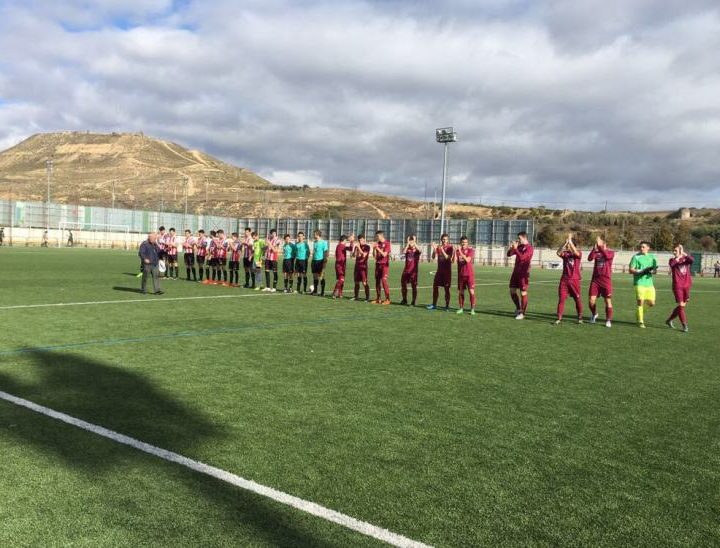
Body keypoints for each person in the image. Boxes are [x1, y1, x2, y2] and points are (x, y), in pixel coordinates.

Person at [629, 240, 658, 328]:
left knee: (652, 303)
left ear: (648, 248)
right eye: (640, 247)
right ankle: (640, 321)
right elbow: (631, 270)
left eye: (643, 247)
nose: (641, 248)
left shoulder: (652, 257)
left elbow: (655, 270)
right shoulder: (636, 257)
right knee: (640, 301)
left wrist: (651, 271)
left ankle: (638, 313)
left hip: (649, 283)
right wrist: (641, 271)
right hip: (639, 283)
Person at [555, 233, 583, 324]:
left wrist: (570, 241)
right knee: (561, 299)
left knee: (577, 299)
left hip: (574, 280)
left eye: (569, 245)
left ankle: (580, 317)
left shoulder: (578, 253)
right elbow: (558, 252)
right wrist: (565, 243)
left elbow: (576, 252)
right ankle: (559, 318)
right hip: (564, 280)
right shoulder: (566, 254)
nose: (567, 247)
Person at [588, 235, 615, 328]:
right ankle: (594, 314)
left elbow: (607, 256)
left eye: (600, 244)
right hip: (595, 280)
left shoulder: (611, 252)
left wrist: (600, 246)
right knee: (591, 300)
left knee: (607, 301)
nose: (598, 245)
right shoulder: (597, 252)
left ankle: (608, 320)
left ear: (604, 244)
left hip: (606, 280)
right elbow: (590, 258)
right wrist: (594, 249)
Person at [666, 244, 694, 333]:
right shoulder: (672, 260)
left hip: (687, 285)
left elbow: (692, 260)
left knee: (682, 306)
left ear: (681, 251)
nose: (674, 252)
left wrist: (683, 254)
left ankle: (669, 320)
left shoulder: (686, 259)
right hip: (677, 286)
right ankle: (684, 325)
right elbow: (672, 264)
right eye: (673, 250)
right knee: (681, 306)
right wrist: (678, 257)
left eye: (676, 250)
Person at [507, 231, 534, 320]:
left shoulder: (530, 248)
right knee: (512, 291)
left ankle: (522, 313)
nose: (518, 240)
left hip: (523, 273)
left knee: (523, 292)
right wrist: (511, 248)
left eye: (519, 238)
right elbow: (509, 254)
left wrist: (516, 249)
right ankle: (518, 308)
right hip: (516, 272)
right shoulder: (520, 246)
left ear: (524, 238)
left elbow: (522, 257)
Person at [427, 234, 454, 311]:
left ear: (448, 240)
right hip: (439, 271)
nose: (444, 241)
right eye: (443, 239)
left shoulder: (450, 247)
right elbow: (433, 257)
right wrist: (434, 249)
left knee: (446, 289)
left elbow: (448, 258)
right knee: (435, 287)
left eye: (446, 239)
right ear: (441, 240)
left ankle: (447, 306)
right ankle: (434, 304)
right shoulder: (439, 247)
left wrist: (441, 249)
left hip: (447, 272)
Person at [455, 236, 476, 315]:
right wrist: (455, 252)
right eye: (462, 242)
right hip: (461, 275)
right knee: (461, 292)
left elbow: (467, 260)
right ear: (460, 242)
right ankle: (461, 308)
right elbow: (454, 261)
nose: (464, 243)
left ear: (467, 243)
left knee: (471, 291)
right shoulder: (457, 251)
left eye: (465, 242)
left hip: (469, 275)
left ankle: (472, 309)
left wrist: (460, 252)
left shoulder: (471, 250)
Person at [400, 235, 421, 306]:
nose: (412, 241)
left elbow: (420, 250)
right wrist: (407, 244)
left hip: (414, 271)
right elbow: (403, 252)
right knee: (403, 285)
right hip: (406, 270)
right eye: (411, 239)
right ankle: (404, 299)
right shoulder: (407, 248)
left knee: (414, 286)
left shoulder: (417, 249)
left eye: (413, 239)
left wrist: (414, 243)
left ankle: (413, 301)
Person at [331, 234, 355, 299]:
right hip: (340, 265)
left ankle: (340, 294)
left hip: (342, 265)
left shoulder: (341, 246)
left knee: (341, 280)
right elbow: (350, 249)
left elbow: (350, 248)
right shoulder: (340, 246)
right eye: (346, 240)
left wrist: (352, 242)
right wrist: (351, 240)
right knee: (341, 279)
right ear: (344, 240)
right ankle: (334, 292)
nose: (346, 241)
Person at [372, 230, 392, 304]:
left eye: (377, 236)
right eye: (376, 236)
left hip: (384, 265)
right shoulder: (378, 244)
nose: (376, 238)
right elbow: (374, 255)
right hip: (378, 265)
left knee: (384, 280)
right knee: (377, 282)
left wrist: (377, 248)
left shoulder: (387, 244)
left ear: (381, 236)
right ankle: (378, 298)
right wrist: (374, 249)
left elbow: (384, 254)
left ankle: (388, 299)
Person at [310, 230, 329, 296]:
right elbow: (315, 251)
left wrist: (325, 260)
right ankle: (315, 291)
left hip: (320, 261)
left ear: (317, 235)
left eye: (314, 234)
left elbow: (326, 252)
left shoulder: (324, 242)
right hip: (314, 261)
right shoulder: (315, 242)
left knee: (321, 276)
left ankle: (322, 292)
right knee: (315, 276)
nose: (313, 235)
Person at [353, 234, 371, 301]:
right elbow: (353, 256)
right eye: (359, 240)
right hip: (357, 267)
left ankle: (367, 297)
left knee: (364, 282)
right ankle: (356, 296)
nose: (360, 241)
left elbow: (364, 255)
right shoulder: (357, 247)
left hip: (363, 267)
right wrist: (355, 249)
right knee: (356, 282)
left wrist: (359, 248)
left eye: (360, 240)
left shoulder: (367, 247)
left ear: (364, 239)